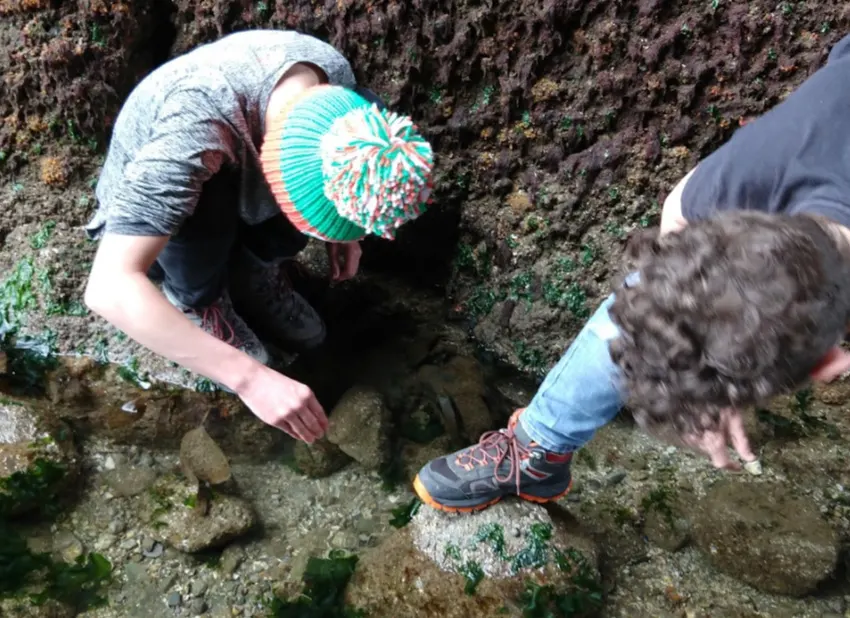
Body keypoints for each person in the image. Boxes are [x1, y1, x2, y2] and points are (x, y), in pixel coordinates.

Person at [413, 33, 850, 513]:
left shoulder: (760, 168)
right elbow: (675, 229)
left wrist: (736, 377)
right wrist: (725, 370)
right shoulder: (748, 170)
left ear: (831, 362)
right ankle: (537, 452)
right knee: (659, 302)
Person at [83, 30, 434, 445]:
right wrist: (248, 378)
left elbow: (347, 162)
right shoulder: (192, 133)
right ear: (274, 172)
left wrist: (346, 231)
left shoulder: (330, 76)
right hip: (172, 209)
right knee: (203, 219)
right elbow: (109, 286)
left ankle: (255, 272)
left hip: (244, 175)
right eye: (313, 218)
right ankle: (198, 298)